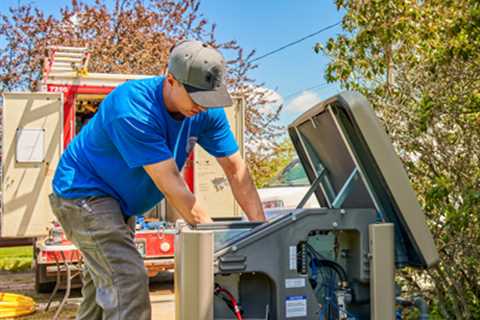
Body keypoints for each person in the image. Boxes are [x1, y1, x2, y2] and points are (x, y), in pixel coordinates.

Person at [49, 40, 266, 320]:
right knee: (127, 278)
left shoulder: (207, 111)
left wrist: (262, 233)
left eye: (209, 98)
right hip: (83, 194)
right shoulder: (132, 107)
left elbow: (237, 171)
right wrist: (216, 244)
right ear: (171, 80)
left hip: (119, 204)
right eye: (196, 97)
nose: (203, 106)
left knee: (104, 286)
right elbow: (172, 185)